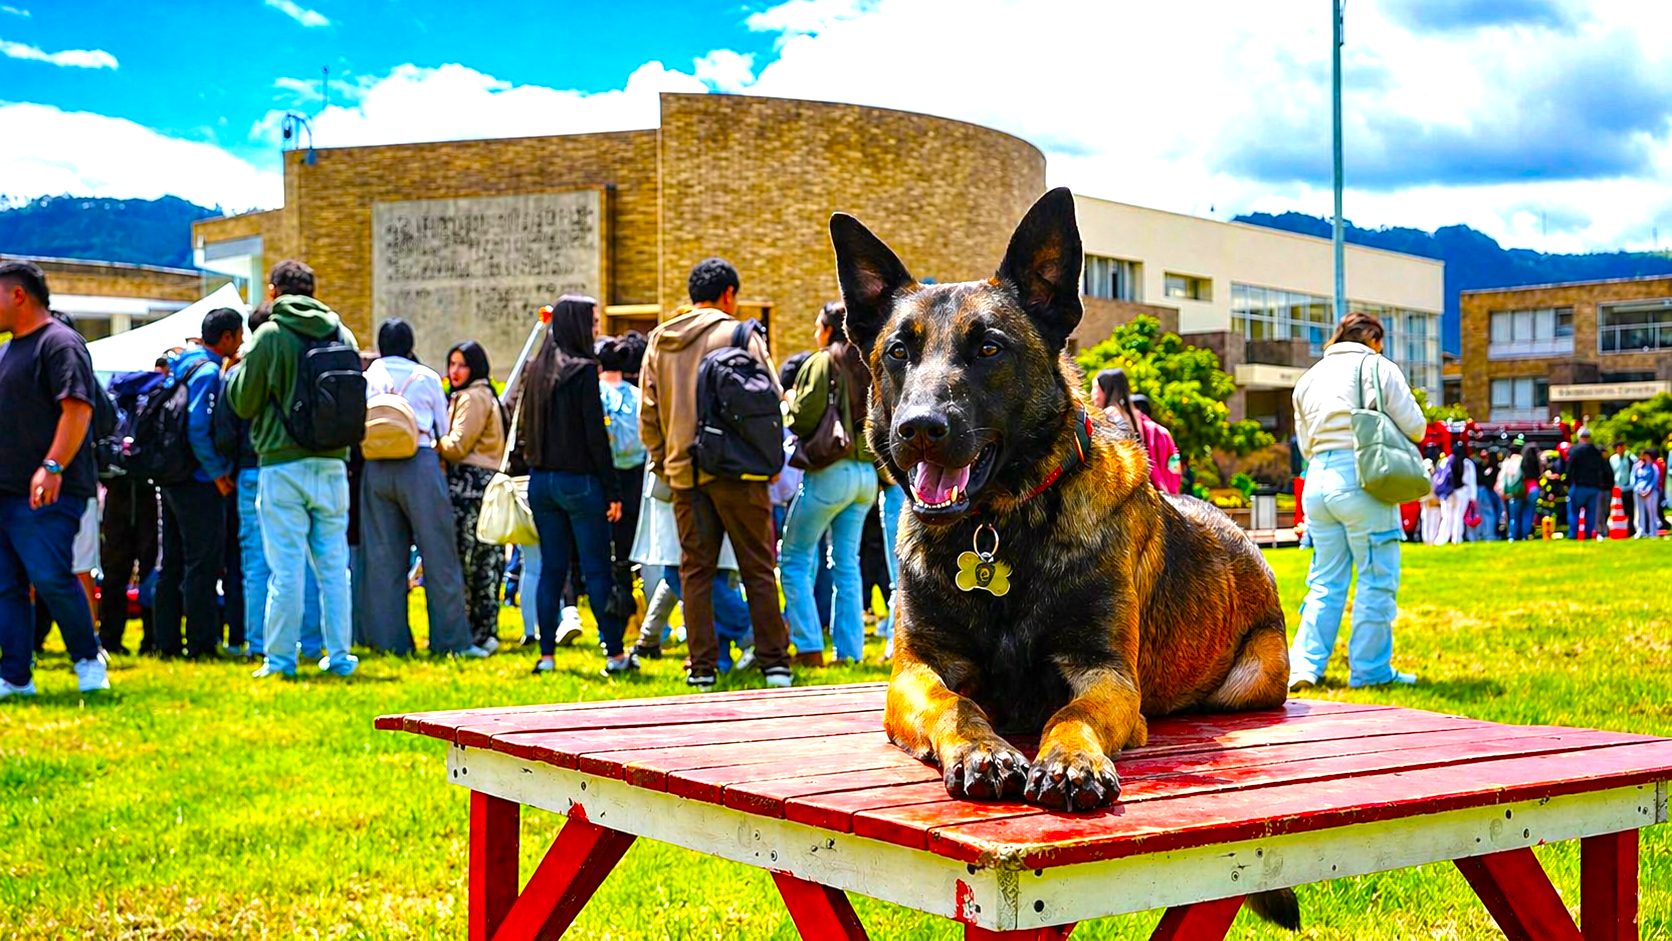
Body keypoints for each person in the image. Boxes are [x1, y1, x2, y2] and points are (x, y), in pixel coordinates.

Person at [640, 258, 792, 689]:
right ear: (728, 294)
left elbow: (647, 412)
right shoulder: (739, 333)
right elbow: (772, 398)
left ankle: (702, 667)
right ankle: (774, 662)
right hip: (738, 471)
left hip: (684, 471)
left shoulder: (660, 340)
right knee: (757, 568)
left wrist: (664, 458)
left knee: (695, 572)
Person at [225, 259, 359, 679]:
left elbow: (244, 403)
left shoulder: (270, 335)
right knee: (335, 568)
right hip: (333, 463)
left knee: (285, 569)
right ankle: (339, 657)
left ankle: (280, 660)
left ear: (273, 291)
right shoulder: (342, 332)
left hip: (282, 465)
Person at [1287, 312, 1425, 690]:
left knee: (1324, 581)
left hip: (1317, 481)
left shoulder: (1309, 377)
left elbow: (1304, 442)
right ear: (1374, 339)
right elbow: (1415, 425)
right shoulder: (1377, 367)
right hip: (1363, 477)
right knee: (1377, 577)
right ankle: (1370, 669)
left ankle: (1303, 666)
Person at [0, 260, 109, 696]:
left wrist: (52, 466)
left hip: (51, 488)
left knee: (49, 576)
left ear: (18, 295)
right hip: (5, 491)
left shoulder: (60, 344)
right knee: (6, 586)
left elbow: (78, 408)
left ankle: (87, 659)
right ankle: (15, 676)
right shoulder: (7, 352)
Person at [519, 295, 628, 675]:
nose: (597, 329)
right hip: (580, 483)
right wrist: (613, 490)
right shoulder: (583, 371)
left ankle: (546, 655)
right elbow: (596, 438)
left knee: (551, 569)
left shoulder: (535, 370)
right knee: (597, 569)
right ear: (579, 325)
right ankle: (614, 654)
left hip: (541, 482)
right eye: (593, 321)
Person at [360, 319, 481, 658]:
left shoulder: (369, 376)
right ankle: (451, 641)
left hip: (377, 465)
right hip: (420, 461)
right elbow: (442, 429)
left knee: (384, 558)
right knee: (439, 554)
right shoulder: (426, 376)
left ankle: (390, 641)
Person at [218, 303, 324, 660]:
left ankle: (261, 644)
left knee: (258, 564)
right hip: (295, 464)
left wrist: (224, 471)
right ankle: (309, 643)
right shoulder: (299, 365)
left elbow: (227, 427)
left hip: (251, 472)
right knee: (304, 559)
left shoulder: (244, 371)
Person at [781, 301, 877, 666]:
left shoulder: (823, 361)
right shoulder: (866, 360)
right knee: (847, 563)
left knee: (793, 557)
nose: (813, 331)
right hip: (866, 475)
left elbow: (803, 418)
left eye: (816, 324)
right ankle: (850, 652)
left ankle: (808, 647)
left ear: (828, 328)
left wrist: (789, 401)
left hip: (830, 471)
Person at [153, 307, 242, 659]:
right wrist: (218, 473)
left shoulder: (181, 363)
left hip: (171, 475)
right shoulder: (207, 371)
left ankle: (167, 643)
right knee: (202, 564)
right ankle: (203, 644)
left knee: (171, 562)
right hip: (198, 480)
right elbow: (197, 428)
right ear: (226, 337)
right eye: (239, 336)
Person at [438, 340, 507, 652]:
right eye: (451, 364)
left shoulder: (473, 397)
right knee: (482, 561)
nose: (454, 371)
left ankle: (480, 631)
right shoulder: (479, 393)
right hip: (481, 485)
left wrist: (428, 437)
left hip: (471, 487)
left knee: (474, 563)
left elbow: (457, 445)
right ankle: (482, 630)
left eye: (462, 364)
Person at [597, 336, 647, 628]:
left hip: (606, 476)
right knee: (630, 542)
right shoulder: (637, 395)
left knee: (605, 542)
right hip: (635, 475)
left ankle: (612, 601)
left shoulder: (596, 394)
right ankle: (630, 596)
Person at [1092, 368, 1181, 494]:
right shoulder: (1137, 417)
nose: (1093, 394)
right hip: (1155, 490)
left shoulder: (1109, 416)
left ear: (1105, 389)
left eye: (1095, 388)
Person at [1566, 427, 1610, 540]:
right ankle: (1589, 534)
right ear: (1589, 437)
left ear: (1579, 437)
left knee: (1574, 512)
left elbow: (1569, 469)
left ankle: (1573, 534)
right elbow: (1603, 468)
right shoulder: (1596, 451)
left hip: (1578, 486)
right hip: (1594, 487)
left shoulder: (1574, 450)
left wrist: (1567, 483)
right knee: (1591, 513)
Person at [1436, 444, 1474, 546]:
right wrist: (1473, 497)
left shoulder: (1446, 461)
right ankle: (1456, 539)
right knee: (1458, 516)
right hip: (1462, 492)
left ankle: (1441, 540)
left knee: (1447, 517)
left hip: (1448, 493)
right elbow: (1471, 481)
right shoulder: (1467, 462)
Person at [1610, 440, 1638, 537]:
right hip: (1617, 488)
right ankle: (1621, 528)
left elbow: (1636, 468)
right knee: (1619, 511)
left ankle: (1631, 529)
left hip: (1628, 487)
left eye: (1623, 446)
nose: (1621, 449)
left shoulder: (1630, 457)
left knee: (1629, 510)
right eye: (1619, 447)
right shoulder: (1612, 459)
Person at [1632, 448, 1659, 538]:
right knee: (1639, 512)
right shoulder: (1637, 466)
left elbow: (1655, 479)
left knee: (1652, 512)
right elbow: (1633, 478)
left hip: (1650, 492)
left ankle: (1653, 531)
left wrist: (1648, 489)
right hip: (1638, 492)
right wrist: (1637, 489)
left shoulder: (1653, 467)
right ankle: (1640, 530)